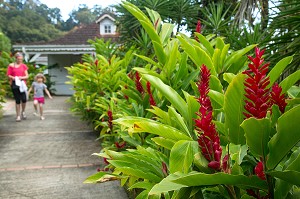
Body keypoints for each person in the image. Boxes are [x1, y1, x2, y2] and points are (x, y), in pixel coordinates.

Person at [6, 52, 29, 122]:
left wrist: (21, 77)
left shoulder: (24, 66)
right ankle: (18, 115)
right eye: (19, 59)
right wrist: (13, 77)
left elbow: (27, 76)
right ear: (16, 58)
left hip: (22, 83)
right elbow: (8, 75)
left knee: (24, 99)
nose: (20, 61)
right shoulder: (11, 66)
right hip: (15, 84)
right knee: (17, 100)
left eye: (21, 59)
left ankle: (23, 112)